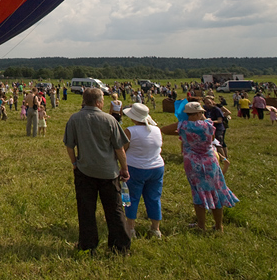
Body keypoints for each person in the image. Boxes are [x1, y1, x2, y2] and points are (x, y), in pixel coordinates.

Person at [64, 88, 131, 254]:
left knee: (86, 210)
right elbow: (119, 148)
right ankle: (119, 246)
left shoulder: (75, 118)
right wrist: (124, 168)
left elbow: (69, 145)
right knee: (114, 210)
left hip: (84, 170)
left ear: (84, 101)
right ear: (99, 102)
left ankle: (87, 245)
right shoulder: (109, 120)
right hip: (109, 172)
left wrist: (74, 163)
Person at [161, 101, 239, 232]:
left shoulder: (183, 126)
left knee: (198, 192)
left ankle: (201, 225)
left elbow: (164, 130)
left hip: (192, 163)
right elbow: (211, 138)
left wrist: (182, 131)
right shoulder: (208, 124)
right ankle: (219, 226)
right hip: (210, 161)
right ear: (198, 113)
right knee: (216, 191)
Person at [122, 103, 164, 239]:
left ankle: (130, 228)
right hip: (157, 167)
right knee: (154, 197)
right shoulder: (156, 130)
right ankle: (155, 228)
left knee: (131, 198)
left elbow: (123, 149)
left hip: (136, 168)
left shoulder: (130, 131)